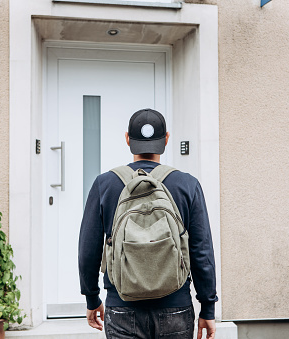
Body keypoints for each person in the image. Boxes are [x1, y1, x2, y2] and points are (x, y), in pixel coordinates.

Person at [78, 108, 217, 339]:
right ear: (166, 139)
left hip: (122, 308)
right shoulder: (187, 184)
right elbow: (202, 251)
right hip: (176, 307)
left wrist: (92, 298)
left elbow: (87, 251)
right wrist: (208, 307)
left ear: (127, 139)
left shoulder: (105, 184)